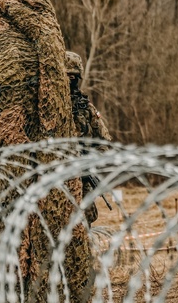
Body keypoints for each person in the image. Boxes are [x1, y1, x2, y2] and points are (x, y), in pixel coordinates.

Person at [65, 51, 112, 225]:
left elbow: (104, 141)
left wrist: (89, 161)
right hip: (57, 178)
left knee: (85, 220)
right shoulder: (50, 108)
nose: (70, 80)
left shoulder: (86, 108)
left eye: (74, 76)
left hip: (82, 176)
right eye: (67, 75)